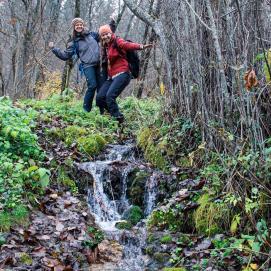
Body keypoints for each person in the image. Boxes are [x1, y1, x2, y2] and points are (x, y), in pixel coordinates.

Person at [49, 18, 115, 112]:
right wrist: (54, 49)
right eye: (77, 25)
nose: (79, 26)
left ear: (83, 25)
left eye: (81, 24)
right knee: (92, 85)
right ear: (74, 27)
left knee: (101, 87)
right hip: (87, 65)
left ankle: (103, 111)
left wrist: (111, 24)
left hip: (100, 64)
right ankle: (86, 110)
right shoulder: (74, 41)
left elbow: (105, 34)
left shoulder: (92, 35)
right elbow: (65, 55)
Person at [96, 25, 153, 123]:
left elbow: (127, 45)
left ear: (111, 33)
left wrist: (141, 46)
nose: (105, 36)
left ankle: (119, 120)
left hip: (122, 74)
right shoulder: (105, 46)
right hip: (111, 77)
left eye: (107, 34)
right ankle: (112, 115)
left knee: (110, 97)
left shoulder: (117, 41)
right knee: (100, 98)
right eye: (103, 35)